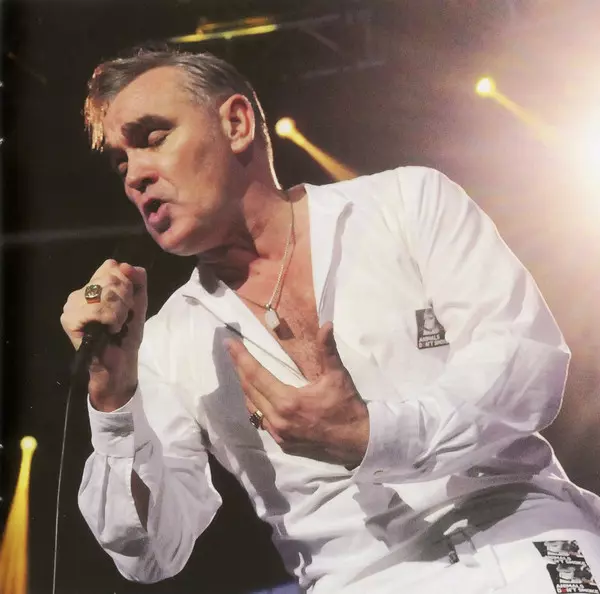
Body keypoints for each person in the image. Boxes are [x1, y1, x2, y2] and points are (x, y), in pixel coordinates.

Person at [61, 48, 600, 594]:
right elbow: (150, 550)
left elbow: (525, 366)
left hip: (527, 535)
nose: (136, 176)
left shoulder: (407, 203)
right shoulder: (169, 342)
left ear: (236, 123)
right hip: (361, 579)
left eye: (154, 139)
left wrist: (373, 435)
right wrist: (112, 397)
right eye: (121, 163)